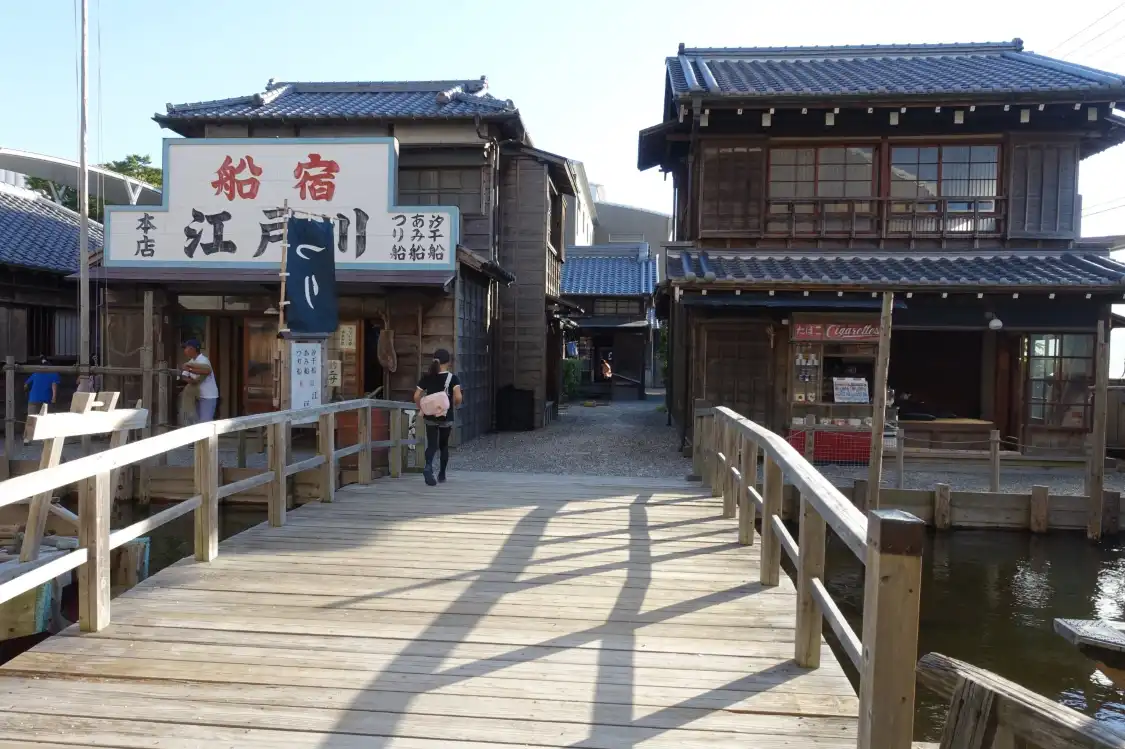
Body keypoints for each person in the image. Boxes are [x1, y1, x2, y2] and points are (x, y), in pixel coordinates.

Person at [413, 348, 462, 487]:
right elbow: (458, 397)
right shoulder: (453, 378)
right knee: (444, 445)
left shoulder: (427, 376)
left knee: (432, 444)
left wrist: (421, 407)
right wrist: (455, 405)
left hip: (430, 416)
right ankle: (442, 474)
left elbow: (416, 396)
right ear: (449, 362)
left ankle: (428, 466)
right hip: (446, 416)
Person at [180, 339, 219, 423]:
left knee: (205, 423)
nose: (185, 351)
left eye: (186, 348)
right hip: (197, 396)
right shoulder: (191, 362)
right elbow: (184, 375)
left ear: (192, 349)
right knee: (196, 422)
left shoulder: (204, 361)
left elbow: (207, 371)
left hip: (208, 396)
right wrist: (191, 381)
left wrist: (190, 369)